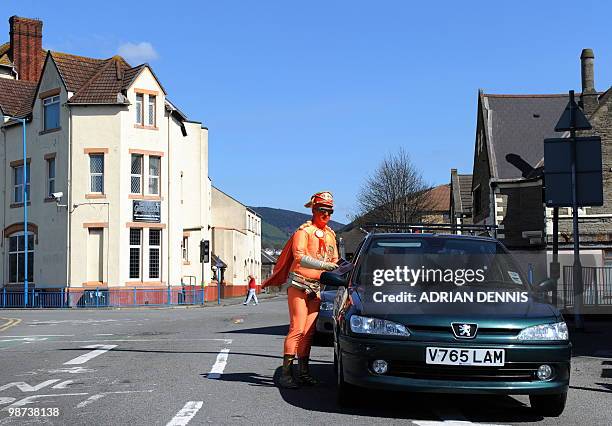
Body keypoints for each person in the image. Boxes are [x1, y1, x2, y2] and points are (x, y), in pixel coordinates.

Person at [262, 191, 338, 389]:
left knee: (308, 332)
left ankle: (304, 371)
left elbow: (335, 260)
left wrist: (339, 267)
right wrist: (325, 265)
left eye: (330, 211)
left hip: (317, 287)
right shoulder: (303, 232)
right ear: (314, 210)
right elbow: (299, 257)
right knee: (297, 328)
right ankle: (286, 373)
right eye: (323, 210)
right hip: (299, 284)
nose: (327, 215)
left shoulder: (330, 235)